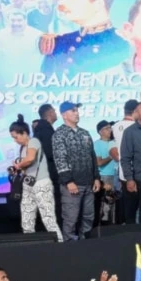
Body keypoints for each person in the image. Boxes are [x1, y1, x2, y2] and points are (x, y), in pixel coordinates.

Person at [51, 102, 100, 241]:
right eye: (73, 111)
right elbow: (60, 158)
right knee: (71, 218)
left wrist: (96, 177)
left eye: (77, 110)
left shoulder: (85, 133)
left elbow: (92, 156)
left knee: (89, 216)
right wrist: (68, 181)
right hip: (72, 184)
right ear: (64, 115)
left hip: (89, 183)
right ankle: (70, 249)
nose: (77, 113)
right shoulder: (59, 134)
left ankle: (87, 244)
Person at [9, 116, 62, 242]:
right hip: (28, 186)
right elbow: (26, 166)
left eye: (16, 137)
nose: (15, 140)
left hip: (41, 184)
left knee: (48, 218)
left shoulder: (34, 141)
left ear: (24, 133)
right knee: (27, 220)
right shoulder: (22, 148)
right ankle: (30, 246)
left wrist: (19, 165)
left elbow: (30, 158)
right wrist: (17, 168)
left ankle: (60, 245)